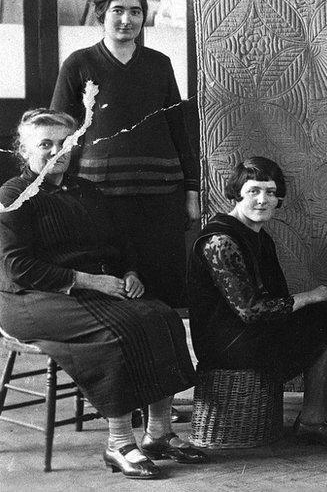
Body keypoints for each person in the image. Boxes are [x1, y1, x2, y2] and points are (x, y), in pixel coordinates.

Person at [0, 110, 204, 479]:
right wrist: (91, 281)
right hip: (28, 299)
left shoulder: (86, 191)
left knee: (162, 316)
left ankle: (158, 432)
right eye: (45, 144)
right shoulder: (12, 195)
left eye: (64, 144)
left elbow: (117, 244)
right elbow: (19, 268)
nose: (56, 152)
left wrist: (128, 272)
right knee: (114, 333)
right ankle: (120, 443)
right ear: (24, 149)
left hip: (84, 291)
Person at [187, 156, 327, 447]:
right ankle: (312, 420)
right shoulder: (221, 239)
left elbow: (275, 299)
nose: (263, 200)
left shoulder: (260, 237)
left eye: (270, 192)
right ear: (236, 193)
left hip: (249, 334)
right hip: (227, 345)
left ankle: (316, 416)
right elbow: (252, 310)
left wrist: (309, 305)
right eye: (254, 191)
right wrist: (311, 297)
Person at [50, 0, 199, 307]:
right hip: (100, 197)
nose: (127, 19)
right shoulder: (79, 63)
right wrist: (60, 191)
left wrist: (192, 191)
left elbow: (179, 131)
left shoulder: (159, 64)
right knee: (114, 289)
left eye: (135, 11)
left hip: (162, 199)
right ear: (102, 14)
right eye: (118, 10)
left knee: (165, 289)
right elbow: (59, 132)